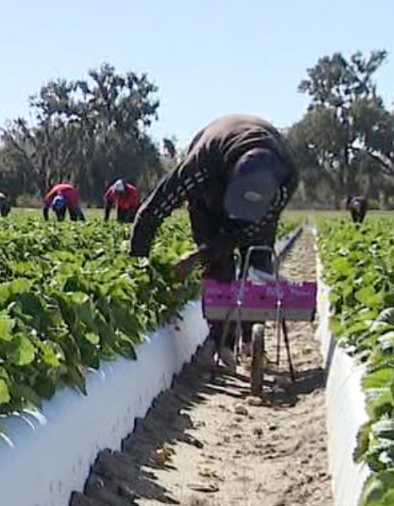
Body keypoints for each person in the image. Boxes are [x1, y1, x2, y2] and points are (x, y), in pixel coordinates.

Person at [128, 113, 298, 368]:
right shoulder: (201, 164)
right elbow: (153, 210)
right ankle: (222, 341)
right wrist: (137, 267)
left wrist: (197, 256)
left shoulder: (287, 177)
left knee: (258, 259)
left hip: (259, 207)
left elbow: (247, 232)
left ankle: (251, 339)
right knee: (219, 270)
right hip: (209, 201)